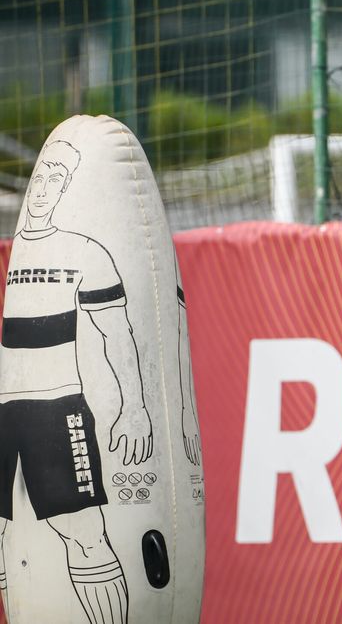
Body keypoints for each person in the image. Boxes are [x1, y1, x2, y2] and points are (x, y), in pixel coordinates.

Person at [0, 139, 153, 624]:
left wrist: (134, 407)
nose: (43, 190)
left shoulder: (86, 251)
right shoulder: (20, 249)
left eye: (54, 181)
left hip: (56, 409)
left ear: (66, 188)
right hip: (6, 410)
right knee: (3, 533)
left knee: (84, 531)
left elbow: (117, 331)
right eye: (39, 179)